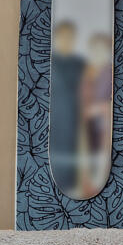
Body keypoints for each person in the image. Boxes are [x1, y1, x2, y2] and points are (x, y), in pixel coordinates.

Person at [47, 19, 85, 200]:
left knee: (73, 173)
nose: (66, 41)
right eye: (63, 37)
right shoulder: (48, 65)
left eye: (70, 37)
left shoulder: (80, 64)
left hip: (76, 124)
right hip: (54, 124)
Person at [77, 32, 115, 197]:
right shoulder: (88, 71)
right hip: (86, 121)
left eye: (101, 49)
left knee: (101, 157)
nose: (97, 53)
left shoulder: (110, 72)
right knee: (86, 156)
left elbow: (112, 100)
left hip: (104, 122)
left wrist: (98, 109)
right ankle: (88, 186)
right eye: (94, 49)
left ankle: (98, 187)